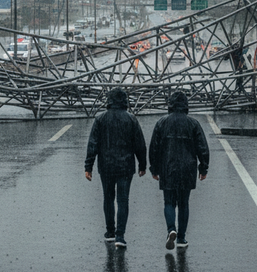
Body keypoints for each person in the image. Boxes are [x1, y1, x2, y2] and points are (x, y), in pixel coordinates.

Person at [85, 88, 147, 248]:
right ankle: (120, 235)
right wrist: (142, 165)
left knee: (108, 198)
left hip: (106, 166)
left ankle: (110, 232)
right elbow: (139, 144)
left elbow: (93, 144)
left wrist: (88, 166)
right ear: (124, 101)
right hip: (125, 166)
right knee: (123, 200)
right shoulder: (131, 119)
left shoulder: (101, 119)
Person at [149, 91, 209, 250]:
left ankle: (171, 229)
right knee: (183, 203)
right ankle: (181, 238)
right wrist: (203, 168)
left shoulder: (162, 123)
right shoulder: (193, 123)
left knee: (169, 201)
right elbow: (202, 147)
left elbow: (154, 148)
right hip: (187, 168)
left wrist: (154, 168)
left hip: (168, 167)